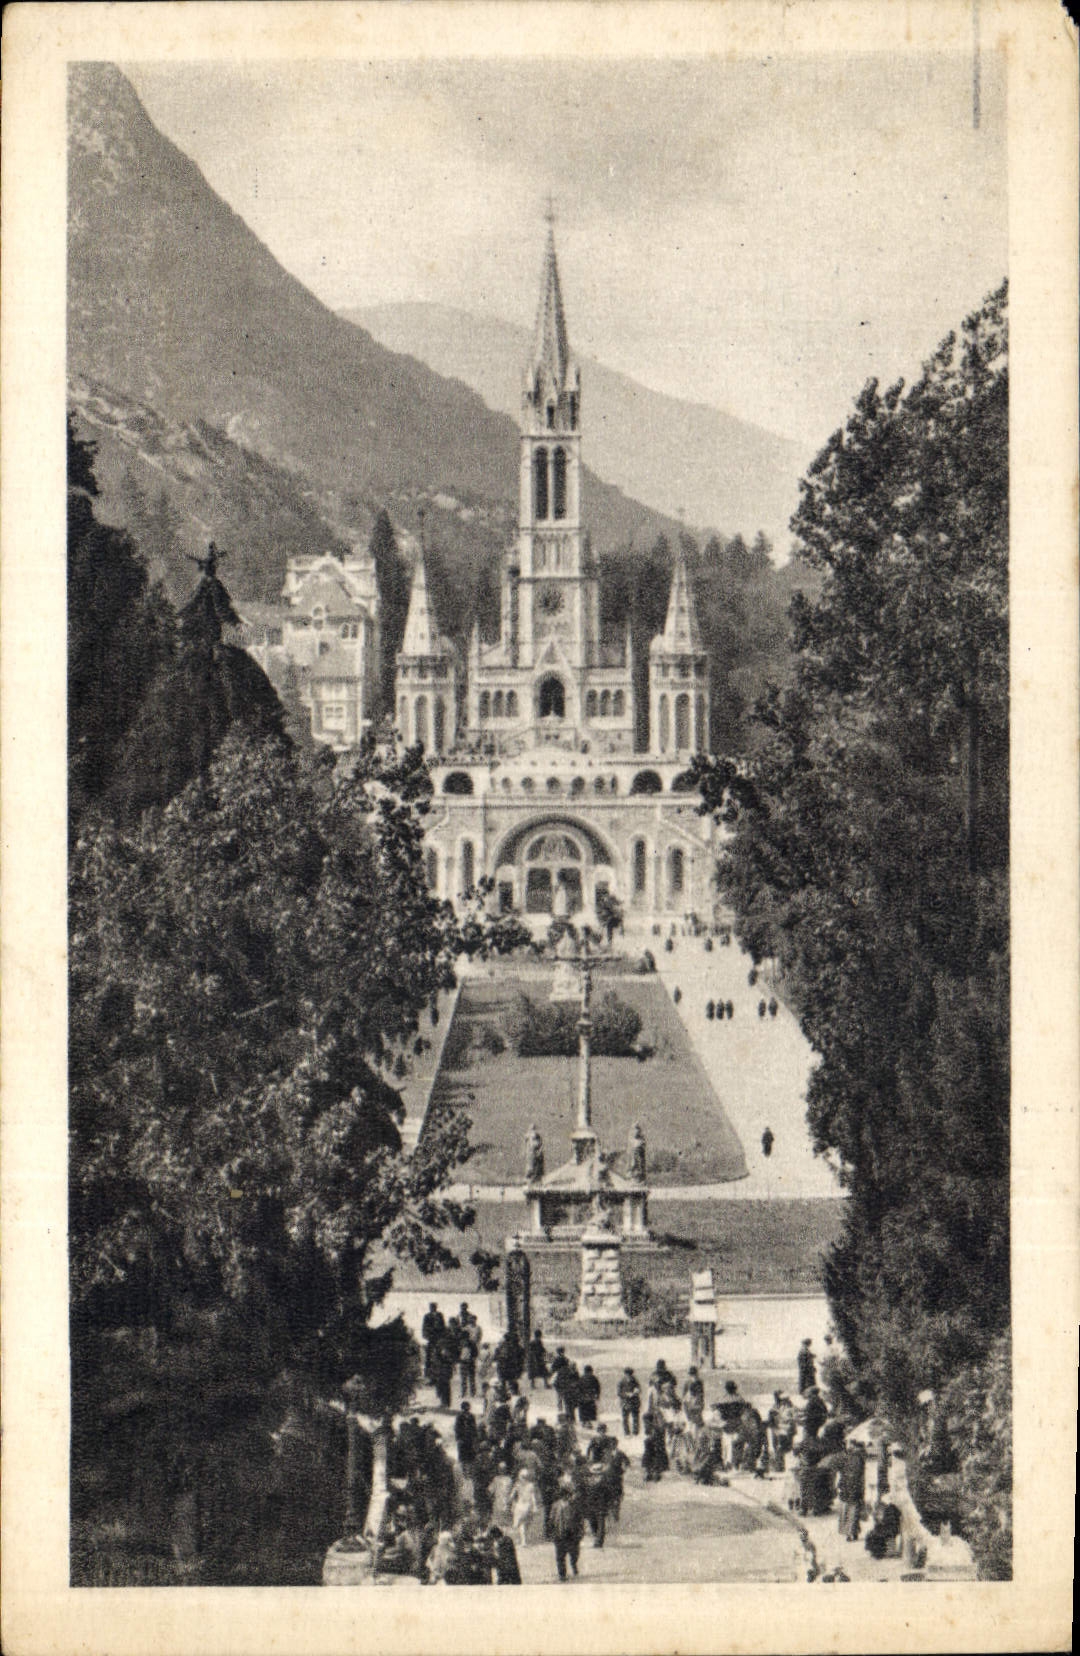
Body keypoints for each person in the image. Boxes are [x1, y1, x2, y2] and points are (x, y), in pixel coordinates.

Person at [549, 1475, 584, 1581]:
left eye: (567, 1496)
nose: (565, 1498)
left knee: (574, 1553)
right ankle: (562, 1574)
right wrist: (551, 1531)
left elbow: (579, 1519)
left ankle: (573, 1564)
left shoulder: (574, 1506)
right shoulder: (555, 1506)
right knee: (560, 1555)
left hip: (572, 1533)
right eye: (563, 1496)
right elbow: (551, 1519)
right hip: (560, 1533)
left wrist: (580, 1531)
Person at [641, 1409, 669, 1482]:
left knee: (654, 1457)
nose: (645, 1424)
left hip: (658, 1449)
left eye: (646, 1422)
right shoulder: (651, 1428)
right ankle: (650, 1472)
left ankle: (655, 1473)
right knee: (648, 1454)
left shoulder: (656, 1428)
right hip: (652, 1449)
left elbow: (658, 1439)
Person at [421, 1302, 445, 1382]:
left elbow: (443, 1327)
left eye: (433, 1307)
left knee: (438, 1357)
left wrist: (441, 1337)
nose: (432, 1308)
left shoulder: (439, 1315)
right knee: (429, 1358)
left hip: (438, 1340)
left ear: (436, 1307)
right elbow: (424, 1327)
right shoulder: (427, 1316)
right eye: (431, 1307)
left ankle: (438, 1375)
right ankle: (428, 1376)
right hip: (431, 1339)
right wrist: (427, 1336)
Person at [454, 1399, 478, 1470]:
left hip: (468, 1439)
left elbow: (474, 1427)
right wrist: (458, 1438)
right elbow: (457, 1428)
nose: (467, 1409)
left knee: (468, 1455)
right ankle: (464, 1469)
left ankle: (467, 1468)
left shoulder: (471, 1416)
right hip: (464, 1439)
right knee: (463, 1456)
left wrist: (474, 1437)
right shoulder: (460, 1417)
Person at [617, 1368, 641, 1437]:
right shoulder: (622, 1381)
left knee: (634, 1418)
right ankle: (627, 1433)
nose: (629, 1376)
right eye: (628, 1374)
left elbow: (639, 1390)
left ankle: (635, 1433)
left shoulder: (634, 1381)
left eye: (630, 1374)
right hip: (626, 1402)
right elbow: (619, 1393)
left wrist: (634, 1393)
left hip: (633, 1402)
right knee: (626, 1418)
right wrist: (626, 1394)